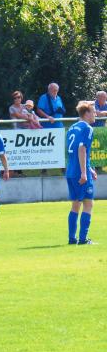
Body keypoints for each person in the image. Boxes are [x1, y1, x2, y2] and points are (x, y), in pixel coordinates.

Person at [65, 101, 97, 245]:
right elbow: (82, 149)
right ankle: (83, 239)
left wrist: (89, 169)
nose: (95, 114)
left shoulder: (72, 128)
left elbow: (73, 152)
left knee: (75, 205)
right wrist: (85, 173)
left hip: (71, 171)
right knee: (88, 204)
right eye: (93, 111)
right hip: (80, 173)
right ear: (87, 113)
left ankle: (72, 239)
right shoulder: (87, 128)